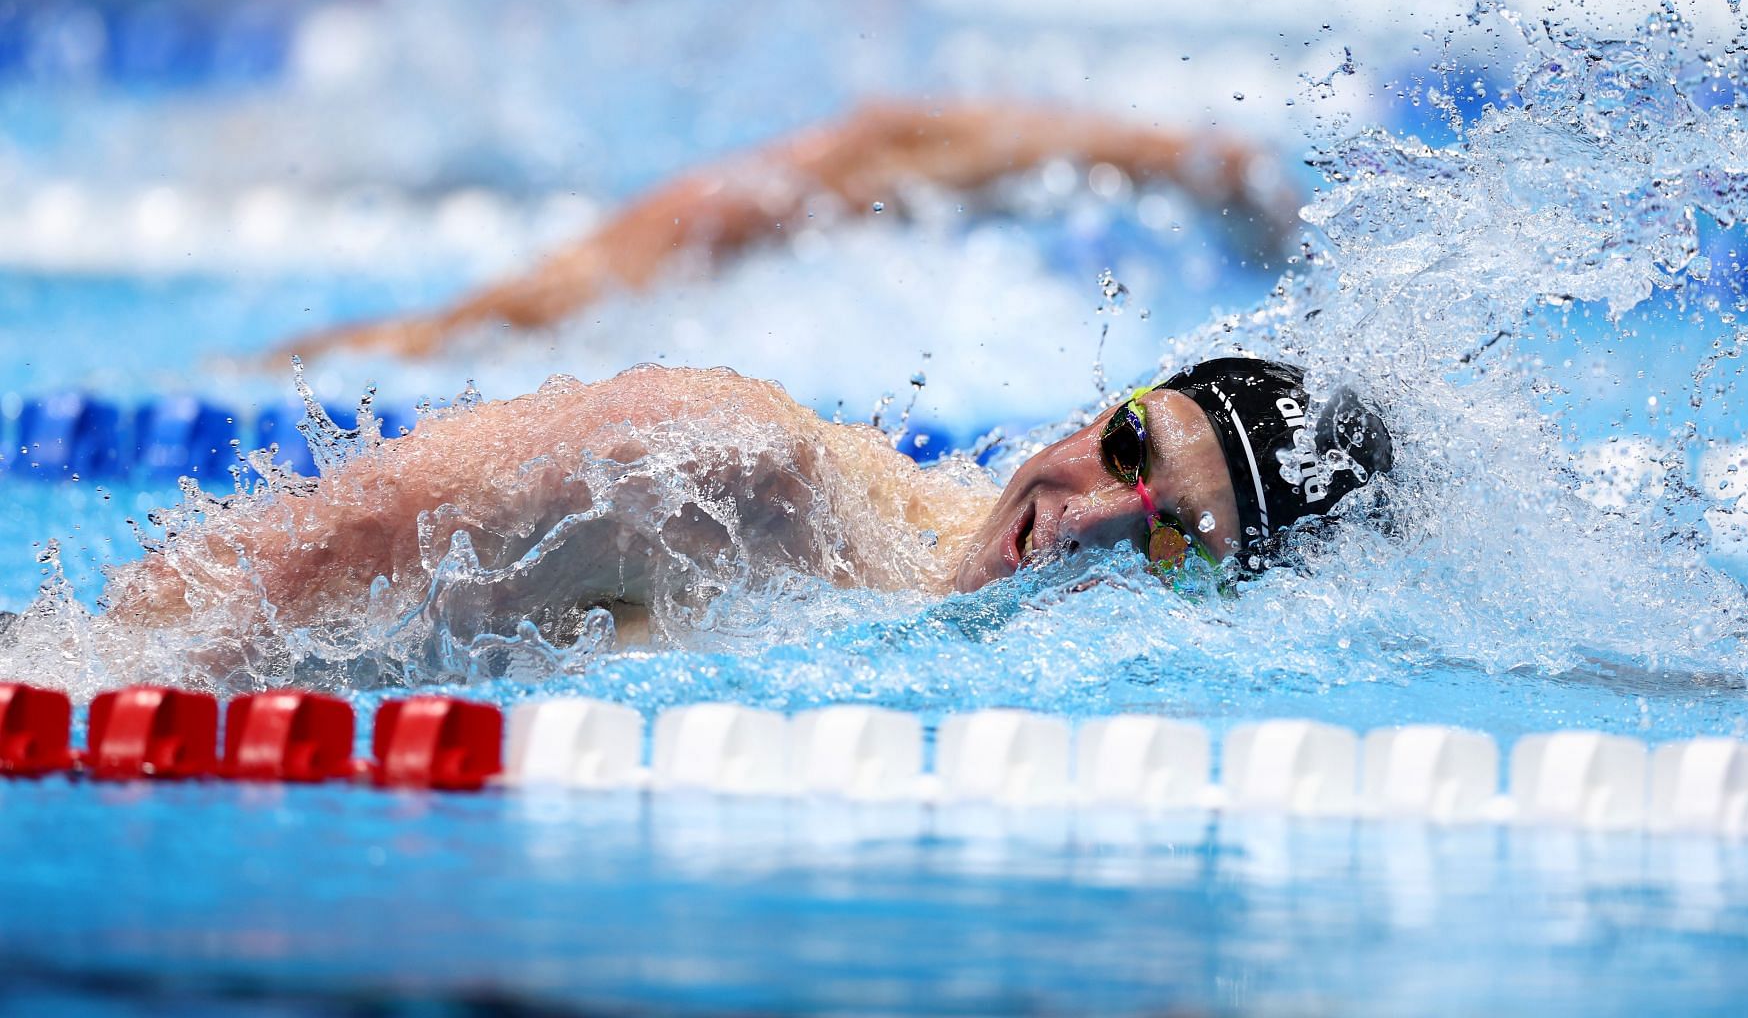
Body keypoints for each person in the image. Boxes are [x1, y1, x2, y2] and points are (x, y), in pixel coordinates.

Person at [86, 355, 1390, 672]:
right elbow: (309, 547)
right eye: (1122, 447)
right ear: (1111, 396)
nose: (1089, 519)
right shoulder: (735, 480)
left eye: (1173, 540)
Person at [281, 100, 1286, 360]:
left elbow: (883, 136)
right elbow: (882, 137)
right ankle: (1192, 159)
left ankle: (1192, 159)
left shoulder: (644, 260)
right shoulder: (601, 280)